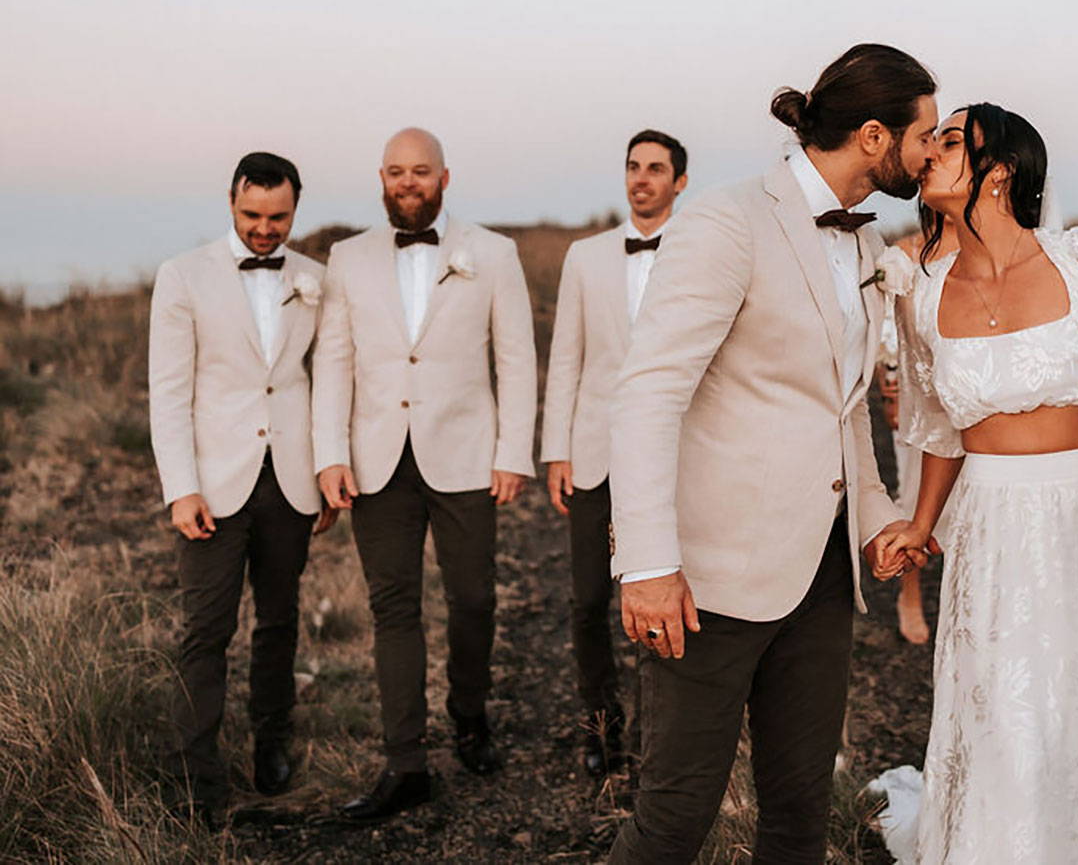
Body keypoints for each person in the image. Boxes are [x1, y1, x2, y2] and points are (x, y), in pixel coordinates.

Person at [606, 44, 937, 864]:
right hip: (708, 578)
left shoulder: (864, 245)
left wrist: (880, 517)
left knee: (798, 808)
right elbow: (649, 393)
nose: (932, 151)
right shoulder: (727, 219)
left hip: (822, 571)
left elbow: (845, 407)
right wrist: (647, 561)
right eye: (924, 133)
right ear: (871, 135)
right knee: (675, 815)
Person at [876, 103, 1078, 863]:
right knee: (1003, 714)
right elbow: (939, 431)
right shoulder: (924, 294)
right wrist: (921, 524)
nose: (927, 152)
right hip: (990, 525)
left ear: (1000, 170)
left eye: (950, 141)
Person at [312, 127, 538, 821]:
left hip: (468, 454)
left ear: (445, 177)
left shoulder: (494, 254)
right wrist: (329, 452)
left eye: (421, 171)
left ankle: (468, 712)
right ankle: (405, 761)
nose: (407, 182)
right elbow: (334, 362)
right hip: (377, 460)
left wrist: (512, 451)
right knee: (393, 610)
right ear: (380, 177)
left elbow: (518, 358)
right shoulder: (345, 258)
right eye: (395, 172)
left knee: (474, 599)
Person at [148, 152, 336, 825]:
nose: (264, 228)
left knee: (279, 621)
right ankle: (197, 779)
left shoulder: (316, 278)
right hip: (212, 484)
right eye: (252, 214)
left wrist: (326, 471)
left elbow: (329, 380)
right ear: (231, 201)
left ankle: (272, 744)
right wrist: (181, 487)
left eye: (278, 217)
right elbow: (168, 392)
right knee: (206, 630)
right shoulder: (182, 276)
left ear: (295, 209)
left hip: (290, 479)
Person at [542, 128, 689, 777]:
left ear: (679, 182)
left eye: (656, 168)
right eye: (633, 166)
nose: (642, 177)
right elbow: (566, 355)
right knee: (586, 600)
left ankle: (668, 733)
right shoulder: (584, 256)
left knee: (669, 595)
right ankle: (601, 725)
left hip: (676, 453)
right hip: (594, 450)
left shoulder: (701, 248)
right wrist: (556, 449)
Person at [874, 211, 957, 645]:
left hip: (968, 393)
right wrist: (890, 386)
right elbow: (889, 328)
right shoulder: (903, 255)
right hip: (917, 394)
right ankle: (910, 592)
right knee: (913, 493)